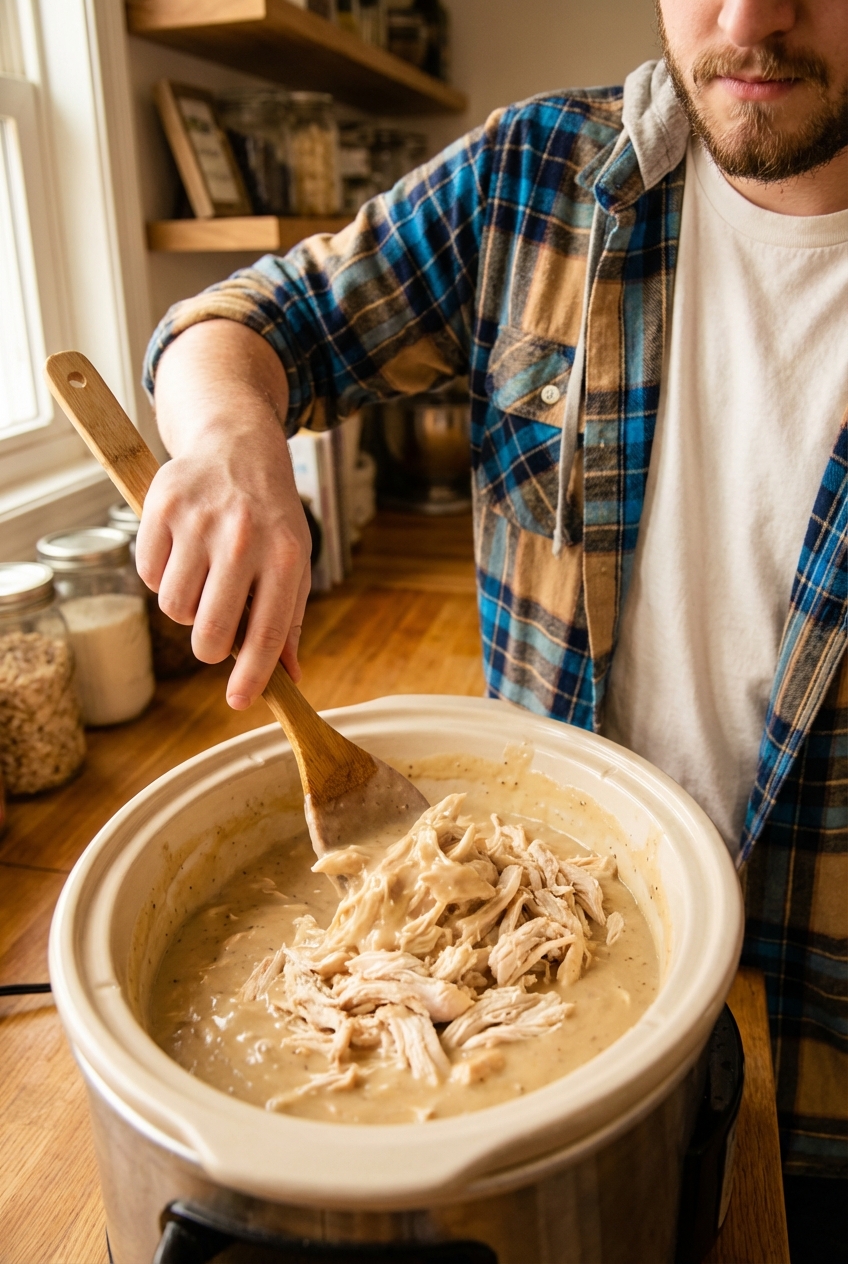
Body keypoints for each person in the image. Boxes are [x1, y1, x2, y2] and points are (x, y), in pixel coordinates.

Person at [139, 0, 847, 1254]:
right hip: (536, 1027)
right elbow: (242, 323)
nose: (749, 18)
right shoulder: (530, 183)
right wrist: (231, 435)